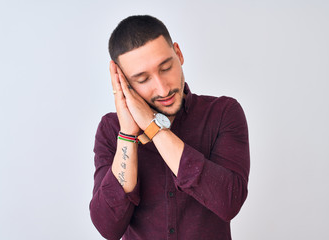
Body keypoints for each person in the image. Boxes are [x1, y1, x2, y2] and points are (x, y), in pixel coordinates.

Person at [90, 15, 250, 240]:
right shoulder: (111, 129)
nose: (163, 88)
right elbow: (108, 227)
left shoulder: (223, 113)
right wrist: (127, 134)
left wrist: (152, 126)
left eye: (165, 68)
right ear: (124, 82)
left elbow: (229, 202)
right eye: (143, 79)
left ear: (179, 53)